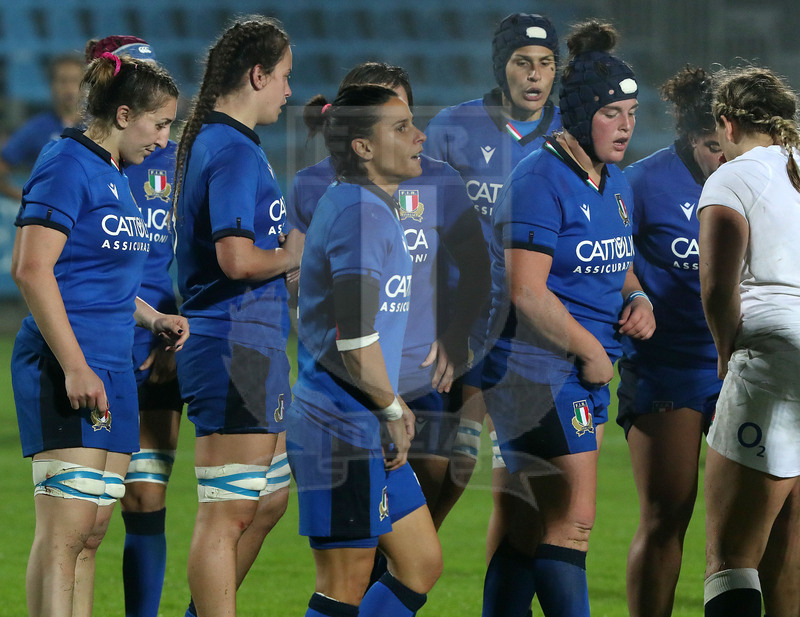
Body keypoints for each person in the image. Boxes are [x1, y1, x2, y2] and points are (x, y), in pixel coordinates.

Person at [480, 20, 654, 617]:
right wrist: (590, 349)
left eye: (632, 112)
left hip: (575, 368)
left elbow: (616, 263)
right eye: (613, 113)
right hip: (537, 368)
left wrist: (639, 299)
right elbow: (526, 292)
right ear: (580, 115)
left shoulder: (617, 182)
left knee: (527, 522)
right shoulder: (538, 179)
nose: (627, 125)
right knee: (572, 521)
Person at [10, 51, 186, 617]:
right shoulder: (65, 161)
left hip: (114, 365)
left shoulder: (115, 174)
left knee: (91, 532)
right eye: (159, 123)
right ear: (125, 112)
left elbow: (96, 277)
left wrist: (151, 318)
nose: (165, 138)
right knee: (63, 532)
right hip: (69, 363)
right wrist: (74, 366)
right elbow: (32, 268)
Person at [286, 61, 490, 530]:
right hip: (352, 386)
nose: (415, 134)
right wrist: (311, 282)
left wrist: (457, 335)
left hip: (419, 374)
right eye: (397, 123)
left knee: (421, 529)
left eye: (407, 117)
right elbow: (303, 279)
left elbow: (479, 265)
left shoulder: (435, 179)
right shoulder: (330, 191)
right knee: (369, 551)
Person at [286, 84, 442, 617]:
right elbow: (353, 338)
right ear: (363, 147)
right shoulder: (361, 215)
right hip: (338, 425)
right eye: (400, 128)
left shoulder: (367, 205)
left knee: (420, 562)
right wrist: (391, 407)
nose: (418, 135)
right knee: (343, 583)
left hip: (361, 419)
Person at [172, 16, 300, 617]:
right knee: (227, 513)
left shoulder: (228, 144)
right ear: (257, 75)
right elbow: (235, 257)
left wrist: (282, 263)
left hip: (253, 343)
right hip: (231, 345)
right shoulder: (231, 149)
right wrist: (293, 254)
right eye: (283, 78)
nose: (289, 92)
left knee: (268, 500)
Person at [423, 12, 563, 536]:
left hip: (529, 326)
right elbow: (422, 226)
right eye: (522, 62)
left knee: (503, 475)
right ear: (500, 67)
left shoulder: (568, 136)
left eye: (546, 64)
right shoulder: (452, 128)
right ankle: (399, 565)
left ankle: (406, 562)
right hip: (455, 318)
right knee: (441, 462)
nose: (534, 75)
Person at [79, 34, 181, 617]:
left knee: (145, 498)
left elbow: (194, 252)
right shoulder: (79, 162)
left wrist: (168, 334)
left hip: (155, 348)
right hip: (95, 346)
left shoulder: (177, 159)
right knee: (86, 512)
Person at [617, 65, 723, 617]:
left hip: (741, 368)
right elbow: (612, 261)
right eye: (710, 146)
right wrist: (636, 296)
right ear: (687, 136)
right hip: (667, 368)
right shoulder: (642, 183)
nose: (721, 158)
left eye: (726, 143)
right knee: (668, 514)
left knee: (748, 523)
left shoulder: (756, 179)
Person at [698, 66, 800, 617]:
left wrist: (724, 350)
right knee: (790, 548)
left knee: (732, 558)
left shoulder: (732, 178)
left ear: (727, 123)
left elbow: (717, 287)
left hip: (773, 361)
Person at [0, 53, 84, 200]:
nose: (69, 88)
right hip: (49, 219)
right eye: (63, 81)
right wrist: (27, 200)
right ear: (52, 85)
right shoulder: (36, 128)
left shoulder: (98, 127)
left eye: (75, 81)